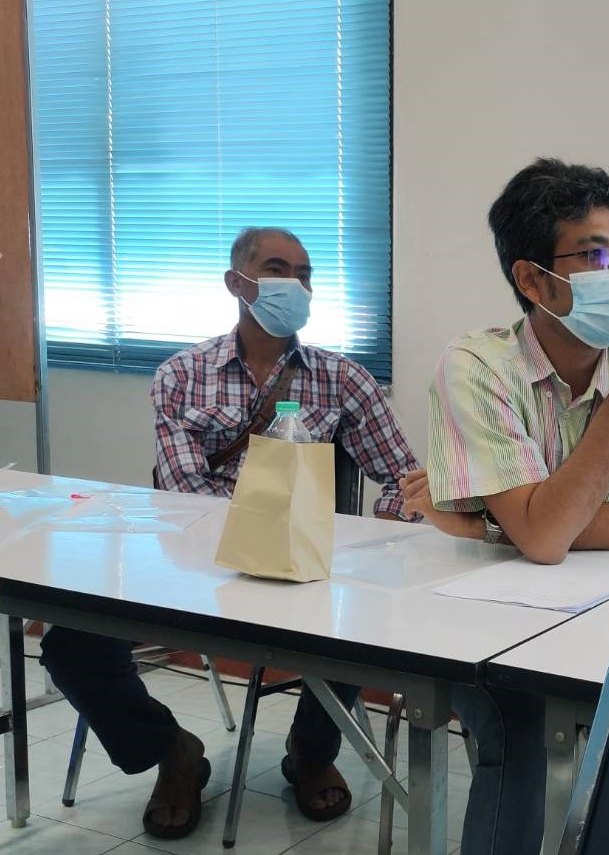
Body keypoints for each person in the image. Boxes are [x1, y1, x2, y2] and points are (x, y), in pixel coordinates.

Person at [40, 227, 420, 840]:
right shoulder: (182, 375)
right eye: (277, 269)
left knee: (363, 616)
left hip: (302, 566)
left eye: (304, 272)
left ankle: (311, 752)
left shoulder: (343, 379)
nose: (294, 283)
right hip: (193, 564)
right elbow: (187, 497)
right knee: (70, 642)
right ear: (237, 283)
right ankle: (171, 750)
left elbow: (407, 479)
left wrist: (381, 531)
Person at [403, 158, 609, 854]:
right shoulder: (476, 365)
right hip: (488, 618)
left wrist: (488, 519)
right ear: (532, 280)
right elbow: (543, 539)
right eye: (594, 256)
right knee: (517, 727)